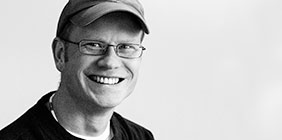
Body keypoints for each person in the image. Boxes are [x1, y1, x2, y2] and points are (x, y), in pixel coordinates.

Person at [0, 0, 153, 139]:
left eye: (126, 47)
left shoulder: (141, 137)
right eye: (94, 45)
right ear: (60, 54)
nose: (110, 62)